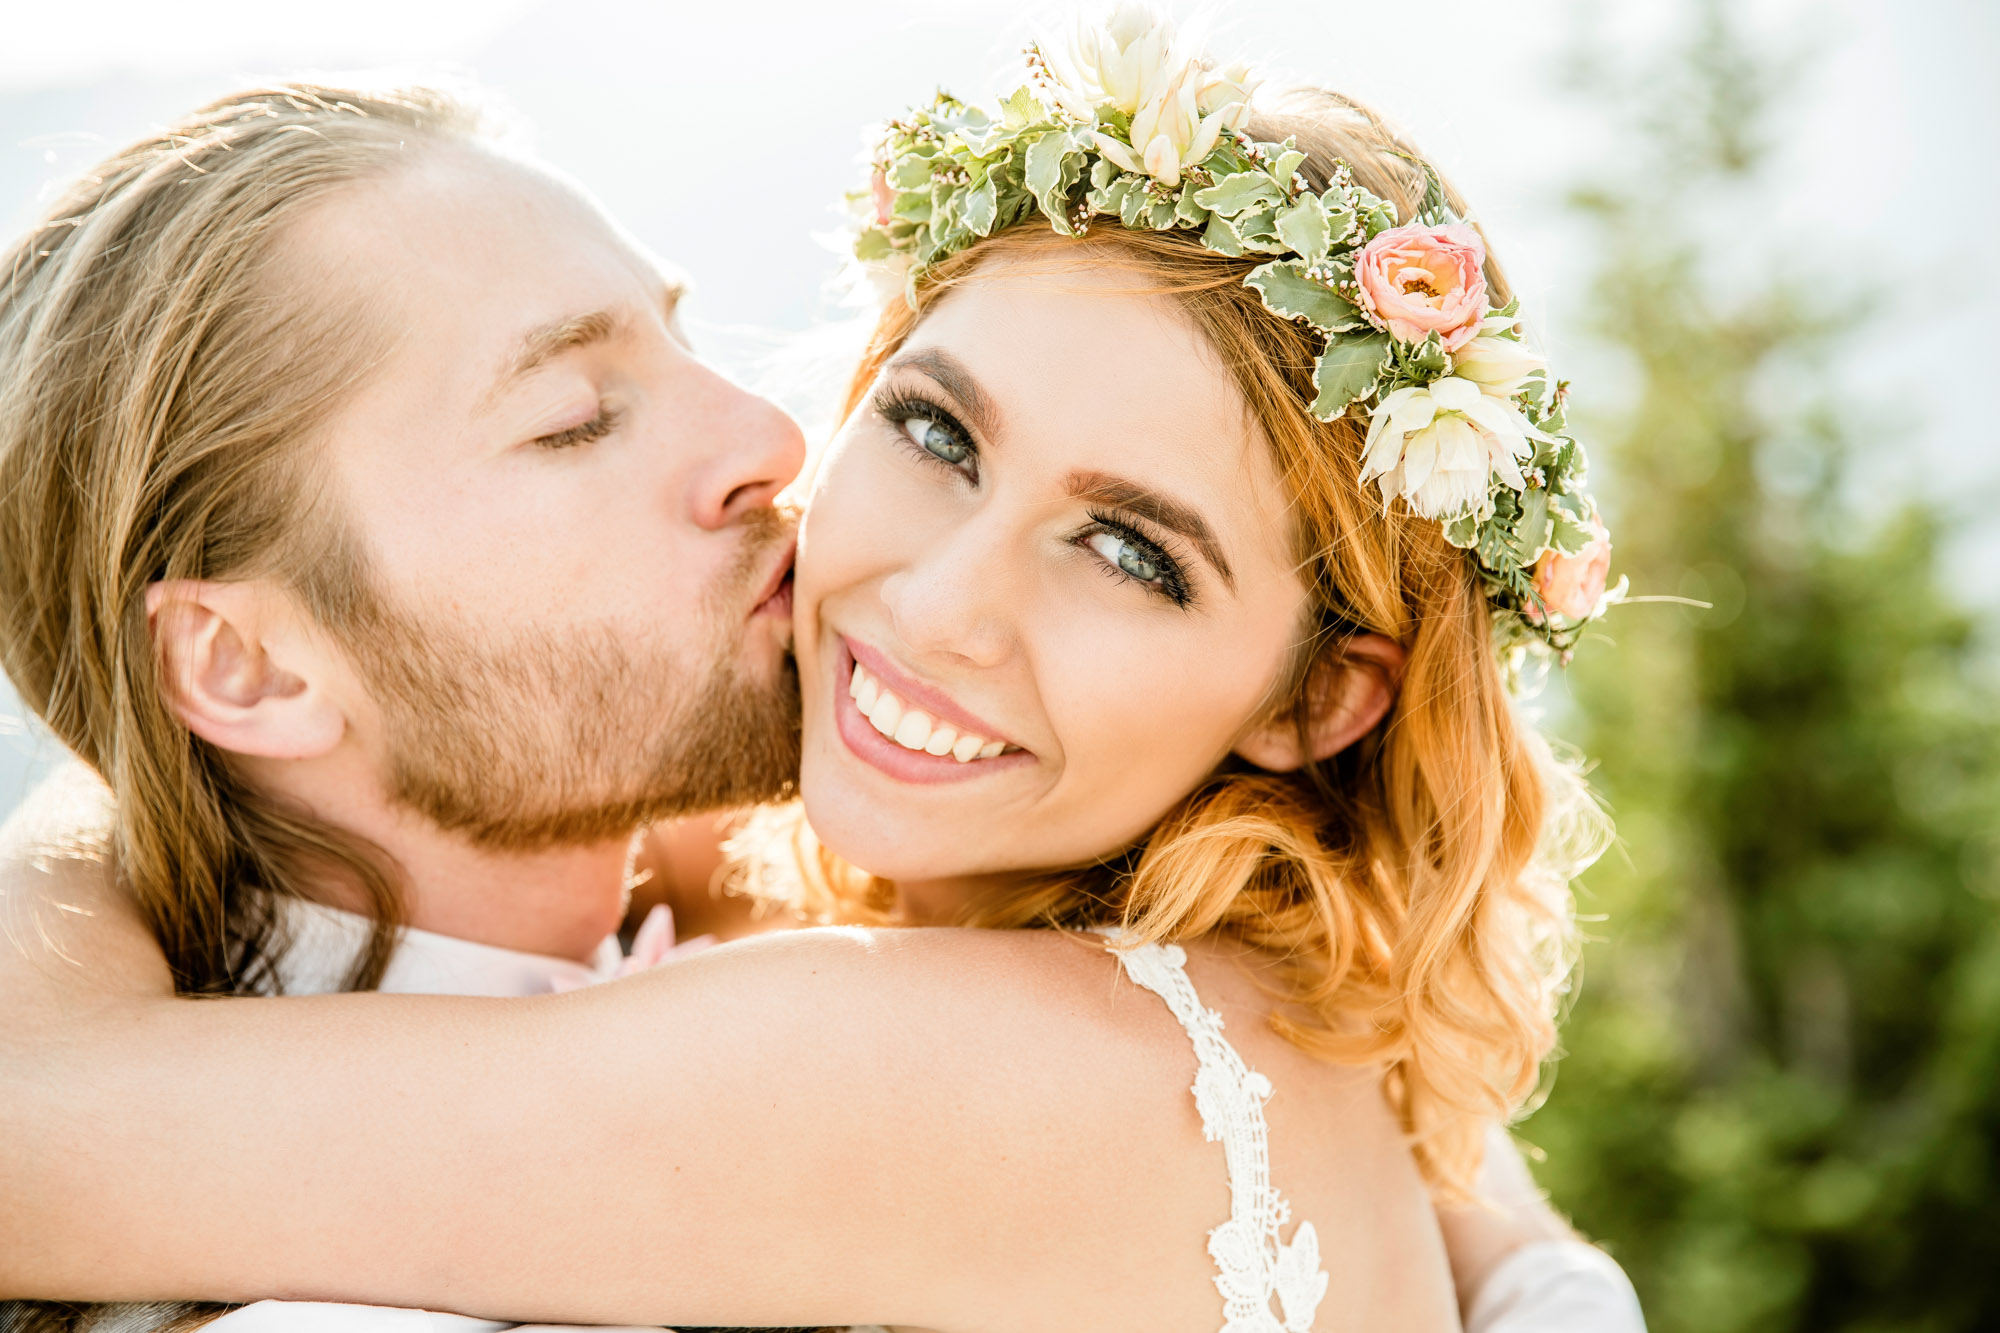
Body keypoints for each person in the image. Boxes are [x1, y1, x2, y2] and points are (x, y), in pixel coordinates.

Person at [0, 10, 1646, 1332]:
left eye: (1136, 549)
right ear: (242, 662)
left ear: (1322, 696)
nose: (771, 439)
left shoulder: (1012, 1061)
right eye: (930, 427)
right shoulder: (1148, 1000)